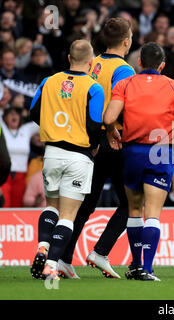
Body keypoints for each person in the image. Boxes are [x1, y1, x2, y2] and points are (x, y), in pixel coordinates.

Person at [104, 42, 174, 281]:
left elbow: (109, 117)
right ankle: (146, 268)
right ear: (162, 65)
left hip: (131, 152)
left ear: (139, 63)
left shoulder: (125, 83)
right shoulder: (173, 85)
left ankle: (135, 266)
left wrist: (113, 130)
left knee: (134, 210)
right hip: (159, 151)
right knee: (153, 214)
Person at [59, 17, 136, 280]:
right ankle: (100, 252)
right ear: (126, 41)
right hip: (114, 139)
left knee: (86, 203)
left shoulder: (93, 63)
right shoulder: (124, 69)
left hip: (89, 140)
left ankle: (63, 258)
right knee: (132, 203)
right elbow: (122, 108)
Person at [29, 39, 104, 280]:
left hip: (51, 152)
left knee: (51, 205)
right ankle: (51, 265)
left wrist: (53, 127)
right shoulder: (94, 88)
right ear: (91, 63)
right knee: (68, 215)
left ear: (69, 58)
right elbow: (94, 124)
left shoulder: (48, 81)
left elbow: (33, 111)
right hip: (78, 155)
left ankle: (43, 244)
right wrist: (95, 145)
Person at [0, 106, 38, 207]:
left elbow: (42, 121)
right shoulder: (2, 127)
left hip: (21, 177)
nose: (14, 116)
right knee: (5, 206)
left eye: (17, 113)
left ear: (21, 117)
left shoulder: (26, 130)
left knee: (17, 206)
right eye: (10, 113)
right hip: (4, 175)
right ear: (5, 117)